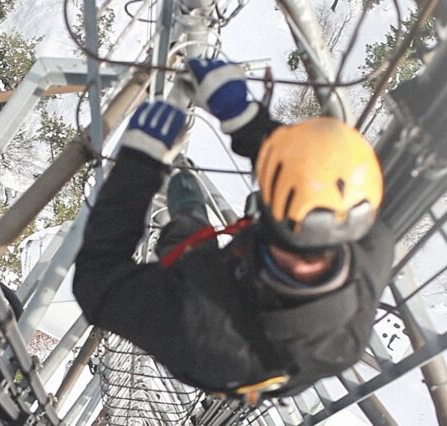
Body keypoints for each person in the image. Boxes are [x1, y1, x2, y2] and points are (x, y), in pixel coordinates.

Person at [72, 59, 395, 403]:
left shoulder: (198, 321)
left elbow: (97, 284)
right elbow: (313, 186)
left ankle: (186, 214)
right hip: (272, 324)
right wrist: (247, 122)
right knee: (189, 240)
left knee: (183, 242)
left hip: (224, 349)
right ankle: (187, 215)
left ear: (264, 216)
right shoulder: (370, 241)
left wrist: (138, 167)